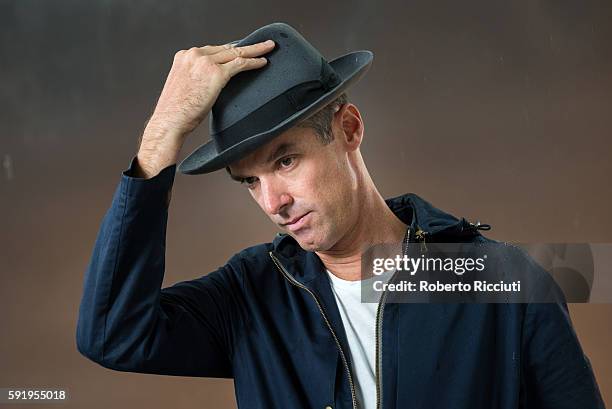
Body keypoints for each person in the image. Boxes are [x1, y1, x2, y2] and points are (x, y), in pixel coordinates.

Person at [76, 22, 605, 409]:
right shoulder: (250, 297)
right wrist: (160, 136)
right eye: (250, 182)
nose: (272, 202)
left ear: (349, 129)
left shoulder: (501, 281)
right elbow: (111, 334)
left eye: (285, 161)